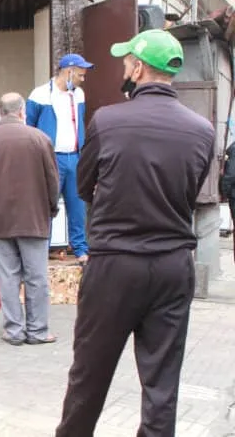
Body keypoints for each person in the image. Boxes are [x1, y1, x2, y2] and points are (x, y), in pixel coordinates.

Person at [56, 30, 215, 436]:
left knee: (89, 374)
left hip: (114, 264)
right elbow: (190, 193)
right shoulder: (201, 129)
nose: (123, 68)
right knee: (162, 383)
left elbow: (82, 185)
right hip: (173, 266)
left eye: (127, 61)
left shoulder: (108, 120)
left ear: (140, 67)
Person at [0, 92, 60, 346]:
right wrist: (52, 209)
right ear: (22, 111)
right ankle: (38, 331)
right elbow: (52, 181)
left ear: (0, 112)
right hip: (34, 217)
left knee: (8, 276)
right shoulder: (40, 139)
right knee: (37, 276)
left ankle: (14, 331)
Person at [26, 54, 93, 264]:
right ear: (69, 71)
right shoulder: (40, 95)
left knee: (77, 205)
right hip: (51, 157)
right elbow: (30, 127)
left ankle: (80, 248)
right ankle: (41, 248)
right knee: (46, 205)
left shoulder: (78, 94)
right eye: (81, 74)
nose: (83, 78)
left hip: (74, 155)